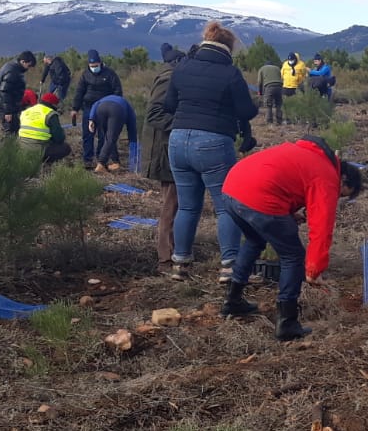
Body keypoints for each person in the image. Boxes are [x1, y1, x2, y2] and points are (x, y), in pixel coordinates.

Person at [221, 137, 363, 341]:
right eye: (341, 194)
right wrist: (314, 269)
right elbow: (321, 227)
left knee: (254, 240)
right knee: (293, 256)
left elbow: (280, 177)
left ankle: (232, 301)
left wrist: (286, 211)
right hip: (259, 197)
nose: (336, 197)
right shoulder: (327, 176)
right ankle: (287, 322)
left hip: (231, 189)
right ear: (344, 180)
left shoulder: (308, 155)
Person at [163, 21, 259, 282]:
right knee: (225, 207)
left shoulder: (182, 67)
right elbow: (246, 111)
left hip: (178, 139)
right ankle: (230, 266)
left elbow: (169, 104)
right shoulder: (230, 73)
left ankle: (179, 264)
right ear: (228, 48)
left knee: (187, 206)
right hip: (214, 142)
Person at [143, 44, 188, 272]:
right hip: (165, 150)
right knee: (171, 204)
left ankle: (173, 251)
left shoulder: (171, 77)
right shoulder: (169, 79)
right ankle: (166, 259)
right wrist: (183, 125)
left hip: (168, 147)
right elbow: (154, 114)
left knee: (174, 203)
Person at [71, 49, 123, 167]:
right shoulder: (85, 75)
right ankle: (87, 159)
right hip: (88, 108)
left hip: (104, 108)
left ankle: (101, 158)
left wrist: (115, 104)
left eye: (96, 65)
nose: (94, 68)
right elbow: (79, 92)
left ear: (100, 63)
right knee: (88, 134)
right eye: (92, 66)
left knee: (103, 134)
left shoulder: (110, 74)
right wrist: (75, 108)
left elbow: (117, 90)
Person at [87, 94, 138, 173]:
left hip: (101, 108)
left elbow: (95, 104)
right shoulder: (130, 110)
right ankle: (101, 164)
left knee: (108, 137)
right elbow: (132, 131)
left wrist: (91, 118)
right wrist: (133, 148)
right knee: (111, 138)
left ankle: (115, 162)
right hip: (117, 110)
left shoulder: (105, 98)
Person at [0, 51, 36, 136]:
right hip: (3, 105)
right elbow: (5, 91)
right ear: (23, 61)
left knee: (14, 127)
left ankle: (11, 145)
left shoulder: (13, 67)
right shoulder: (13, 71)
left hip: (6, 104)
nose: (28, 68)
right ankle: (8, 147)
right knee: (10, 129)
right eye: (28, 65)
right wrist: (8, 112)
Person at [18, 92, 72, 163]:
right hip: (38, 149)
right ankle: (46, 162)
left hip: (22, 147)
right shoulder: (50, 113)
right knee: (66, 148)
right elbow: (59, 138)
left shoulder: (26, 111)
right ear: (53, 105)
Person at [257, 60, 285, 124]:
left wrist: (260, 92)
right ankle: (279, 120)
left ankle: (269, 122)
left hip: (269, 86)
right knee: (278, 104)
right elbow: (280, 78)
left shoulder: (262, 69)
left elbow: (259, 82)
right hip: (279, 87)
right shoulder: (277, 68)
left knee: (269, 105)